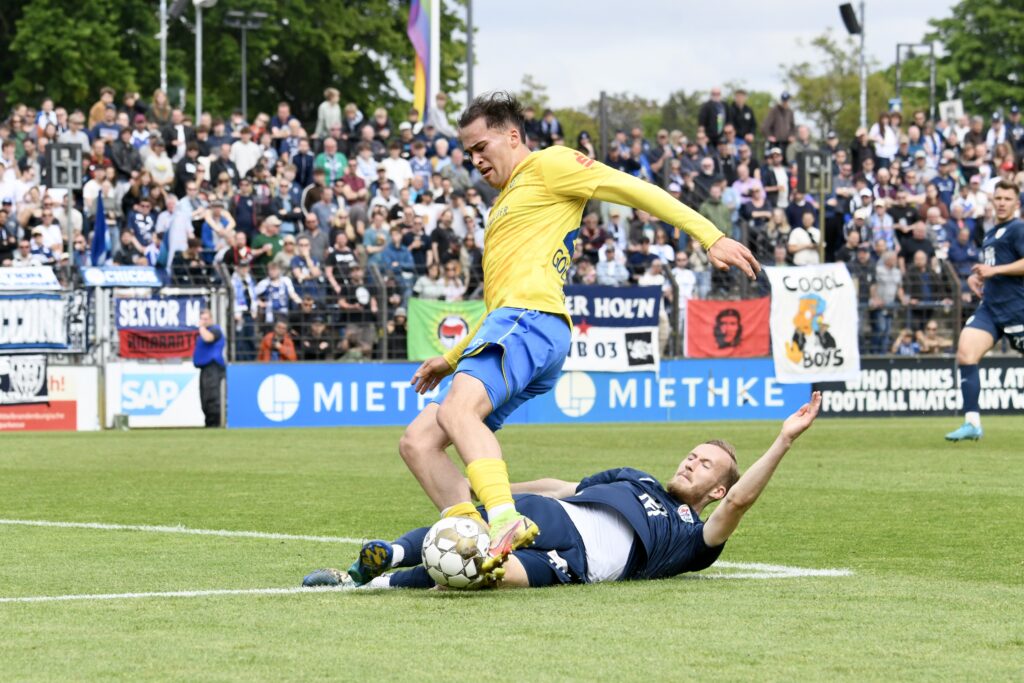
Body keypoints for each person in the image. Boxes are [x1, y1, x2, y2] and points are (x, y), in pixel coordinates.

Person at [399, 92, 759, 580]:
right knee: (420, 441)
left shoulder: (550, 165)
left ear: (512, 136)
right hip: (516, 323)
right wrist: (453, 356)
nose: (475, 159)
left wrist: (709, 236)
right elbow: (497, 304)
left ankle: (504, 518)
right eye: (468, 153)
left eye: (481, 146)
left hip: (533, 320)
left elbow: (633, 189)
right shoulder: (505, 203)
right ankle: (473, 535)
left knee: (459, 411)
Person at [303, 392, 823, 590]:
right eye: (692, 454)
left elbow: (741, 502)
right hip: (559, 517)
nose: (692, 461)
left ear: (715, 489)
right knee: (477, 525)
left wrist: (782, 440)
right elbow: (564, 486)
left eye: (706, 464)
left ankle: (372, 585)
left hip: (577, 567)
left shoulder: (695, 538)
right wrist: (497, 490)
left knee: (479, 574)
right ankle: (380, 557)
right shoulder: (638, 478)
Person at [946, 180, 1024, 441]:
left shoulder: (1018, 229)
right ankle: (972, 422)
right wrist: (977, 278)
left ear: (1016, 203)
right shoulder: (991, 233)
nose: (1001, 202)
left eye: (1007, 198)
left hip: (1018, 311)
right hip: (991, 309)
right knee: (966, 352)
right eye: (998, 197)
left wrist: (995, 271)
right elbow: (993, 267)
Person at [193, 309, 226, 428]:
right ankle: (209, 423)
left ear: (211, 319)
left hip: (213, 367)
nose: (203, 322)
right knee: (205, 398)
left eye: (206, 319)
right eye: (202, 319)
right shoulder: (205, 331)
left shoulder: (215, 330)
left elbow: (209, 338)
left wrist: (201, 327)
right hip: (205, 368)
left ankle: (214, 424)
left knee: (212, 397)